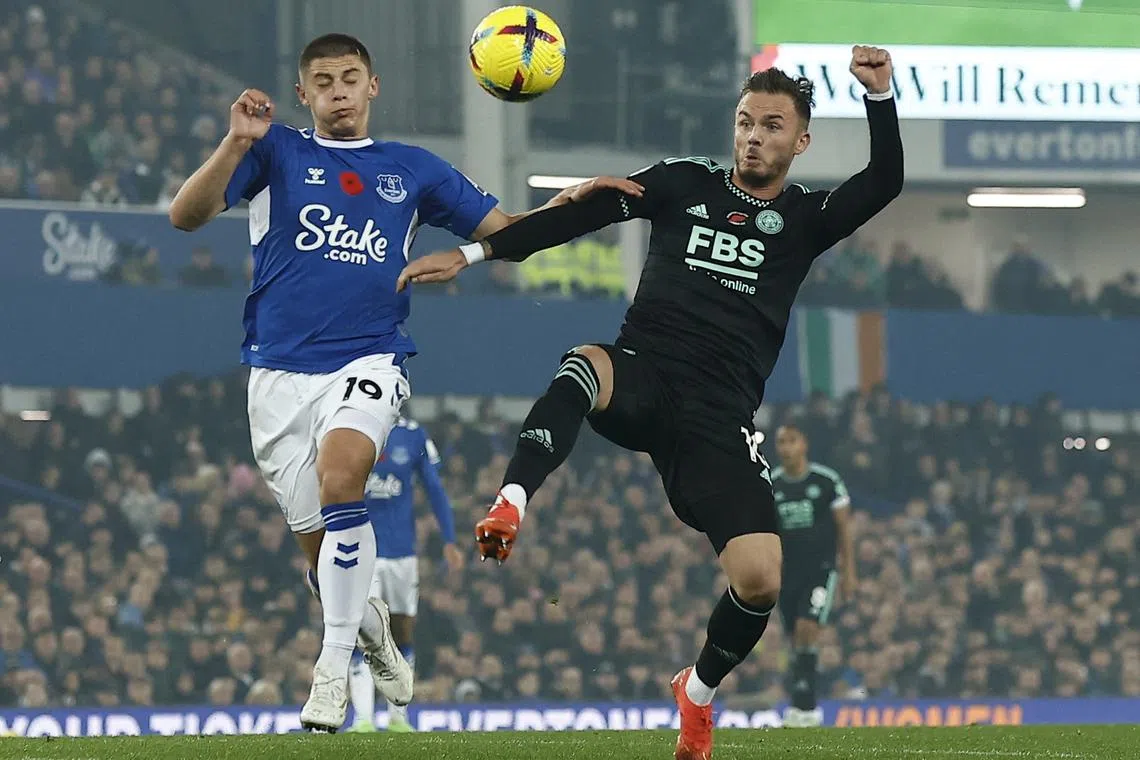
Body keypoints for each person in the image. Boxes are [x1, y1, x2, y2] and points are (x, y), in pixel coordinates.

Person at [399, 45, 902, 759]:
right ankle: (511, 499)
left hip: (718, 419)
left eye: (771, 126)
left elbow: (885, 181)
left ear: (801, 141)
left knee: (760, 582)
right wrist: (475, 255)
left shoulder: (806, 221)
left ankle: (695, 693)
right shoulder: (681, 183)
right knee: (583, 364)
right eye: (745, 122)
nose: (754, 135)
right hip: (643, 372)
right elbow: (578, 214)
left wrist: (879, 97)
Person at [167, 33, 637, 732]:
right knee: (322, 556)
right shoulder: (275, 152)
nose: (337, 91)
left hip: (371, 358)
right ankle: (371, 627)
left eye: (349, 77)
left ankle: (330, 675)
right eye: (322, 81)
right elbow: (185, 215)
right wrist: (235, 142)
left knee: (343, 479)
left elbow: (506, 231)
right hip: (276, 372)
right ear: (304, 95)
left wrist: (576, 204)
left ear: (373, 86)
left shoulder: (412, 169)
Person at [346, 415, 463, 733]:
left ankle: (398, 717)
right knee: (365, 631)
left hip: (403, 554)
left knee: (402, 632)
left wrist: (449, 539)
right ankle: (363, 720)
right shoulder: (350, 427)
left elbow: (435, 490)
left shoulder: (413, 437)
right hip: (362, 550)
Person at [770, 422, 855, 727]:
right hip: (786, 574)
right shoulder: (772, 485)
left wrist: (848, 573)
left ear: (803, 443)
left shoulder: (827, 481)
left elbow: (844, 529)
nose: (786, 447)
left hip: (820, 570)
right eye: (781, 442)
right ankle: (800, 705)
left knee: (808, 626)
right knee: (796, 639)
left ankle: (807, 707)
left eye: (791, 440)